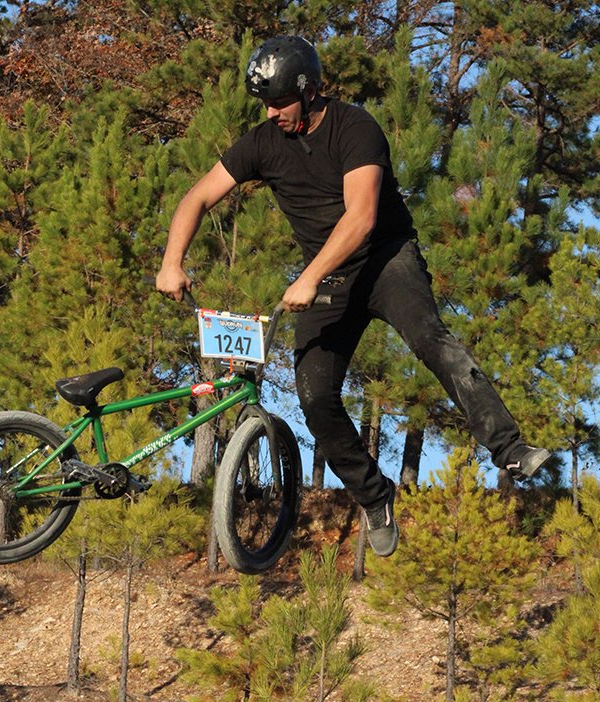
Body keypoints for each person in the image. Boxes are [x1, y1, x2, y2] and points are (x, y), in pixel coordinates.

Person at [156, 35, 550, 557]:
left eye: (281, 102)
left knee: (430, 338)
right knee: (316, 401)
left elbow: (361, 218)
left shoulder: (356, 128)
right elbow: (198, 197)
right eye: (265, 104)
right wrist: (171, 261)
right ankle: (373, 494)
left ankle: (509, 446)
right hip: (329, 280)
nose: (272, 113)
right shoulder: (261, 142)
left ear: (311, 90)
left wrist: (309, 275)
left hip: (386, 261)